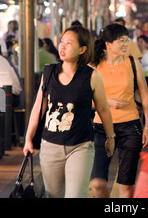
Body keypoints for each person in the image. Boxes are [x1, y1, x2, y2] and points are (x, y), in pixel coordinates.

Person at [23, 26, 115, 198]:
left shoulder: (92, 76)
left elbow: (103, 109)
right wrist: (28, 139)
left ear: (82, 49)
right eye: (62, 42)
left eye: (69, 43)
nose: (62, 46)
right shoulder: (49, 72)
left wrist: (111, 137)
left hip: (80, 146)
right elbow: (38, 109)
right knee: (54, 195)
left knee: (76, 195)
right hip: (50, 146)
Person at [91, 23, 148, 199]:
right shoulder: (95, 66)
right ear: (108, 44)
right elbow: (85, 99)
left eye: (127, 40)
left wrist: (147, 126)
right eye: (121, 41)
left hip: (130, 127)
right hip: (100, 127)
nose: (126, 44)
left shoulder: (133, 63)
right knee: (98, 183)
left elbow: (146, 96)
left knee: (126, 185)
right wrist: (107, 101)